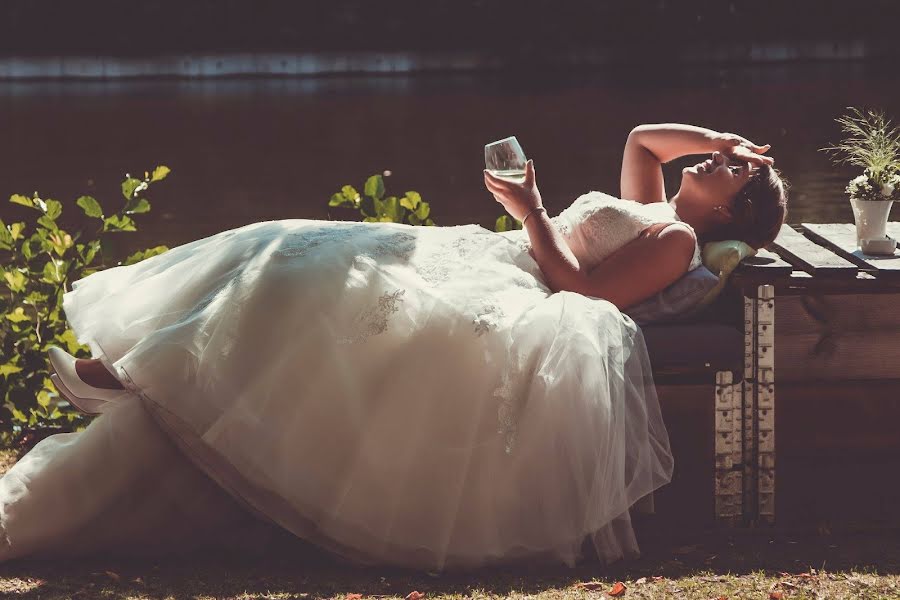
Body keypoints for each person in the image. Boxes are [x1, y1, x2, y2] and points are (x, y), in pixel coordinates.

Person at [0, 123, 787, 571]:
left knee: (307, 278)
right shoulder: (649, 198)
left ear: (731, 211)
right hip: (484, 254)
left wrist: (532, 209)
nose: (716, 161)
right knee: (286, 242)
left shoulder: (678, 238)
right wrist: (716, 135)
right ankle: (146, 365)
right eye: (723, 155)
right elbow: (645, 139)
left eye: (731, 170)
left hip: (518, 283)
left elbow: (580, 292)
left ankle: (140, 370)